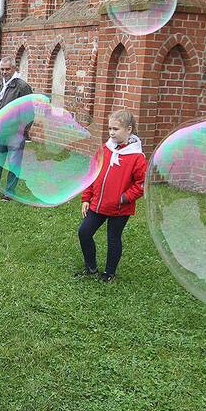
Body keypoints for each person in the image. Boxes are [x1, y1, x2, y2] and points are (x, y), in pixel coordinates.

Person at [78, 110, 147, 282]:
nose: (111, 132)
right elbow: (92, 174)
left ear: (129, 129)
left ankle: (109, 273)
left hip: (119, 209)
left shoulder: (137, 157)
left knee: (113, 238)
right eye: (109, 128)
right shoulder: (104, 149)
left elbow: (141, 184)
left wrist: (124, 198)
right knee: (84, 232)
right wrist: (86, 198)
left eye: (116, 129)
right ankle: (91, 267)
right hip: (98, 204)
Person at [0, 56, 34, 201]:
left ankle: (9, 192)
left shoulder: (22, 87)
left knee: (14, 165)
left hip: (15, 134)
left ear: (14, 68)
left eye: (7, 69)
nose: (4, 72)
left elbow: (29, 112)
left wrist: (22, 130)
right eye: (2, 69)